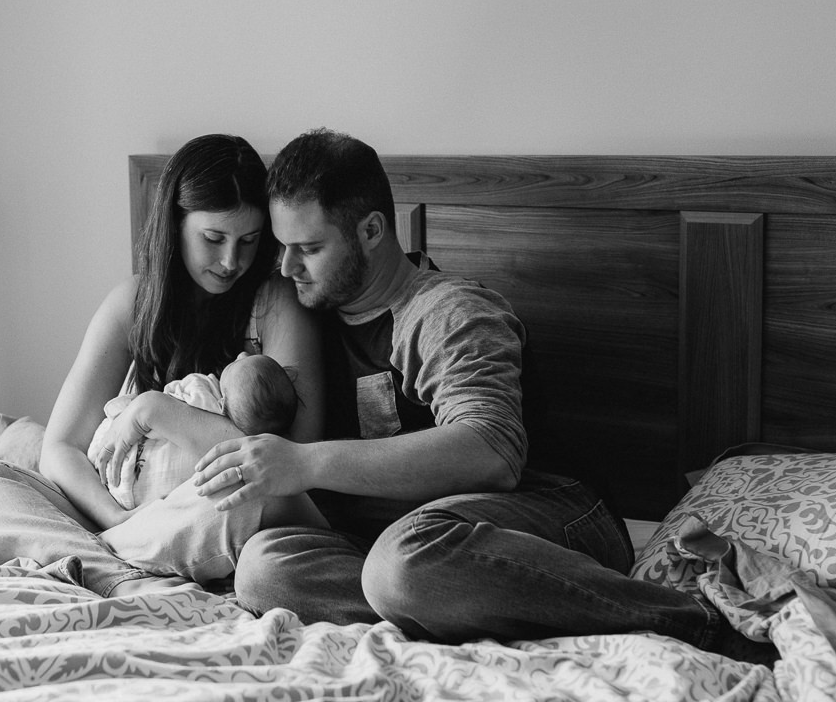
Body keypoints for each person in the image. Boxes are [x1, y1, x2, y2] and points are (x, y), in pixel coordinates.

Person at [192, 128, 742, 652]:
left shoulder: (446, 312)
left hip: (544, 512)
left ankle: (687, 618)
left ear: (372, 230)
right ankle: (455, 607)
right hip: (412, 542)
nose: (287, 267)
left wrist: (305, 463)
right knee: (267, 568)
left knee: (401, 565)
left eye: (308, 248)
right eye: (282, 248)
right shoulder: (313, 322)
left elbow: (493, 449)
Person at [0, 134, 325, 596]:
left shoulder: (276, 304)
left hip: (201, 507)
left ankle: (87, 559)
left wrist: (157, 412)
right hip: (121, 511)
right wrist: (118, 519)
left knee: (253, 504)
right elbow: (61, 449)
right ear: (175, 225)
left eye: (248, 241)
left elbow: (290, 462)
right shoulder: (134, 302)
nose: (230, 261)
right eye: (213, 238)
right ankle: (117, 566)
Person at [88, 352, 298, 510]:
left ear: (222, 403)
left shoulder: (204, 390)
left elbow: (168, 397)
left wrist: (144, 408)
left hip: (119, 460)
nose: (242, 354)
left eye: (236, 364)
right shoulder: (252, 432)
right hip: (141, 501)